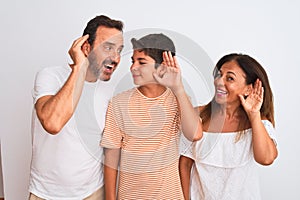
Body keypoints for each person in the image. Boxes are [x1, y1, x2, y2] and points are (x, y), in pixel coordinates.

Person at [29, 15, 124, 200]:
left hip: (93, 193)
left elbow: (111, 150)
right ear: (86, 48)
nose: (116, 58)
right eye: (108, 47)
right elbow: (52, 123)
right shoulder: (50, 76)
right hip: (45, 194)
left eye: (119, 50)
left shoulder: (110, 93)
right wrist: (80, 67)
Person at [101, 33, 202, 199]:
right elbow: (111, 156)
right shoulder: (119, 102)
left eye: (141, 62)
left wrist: (178, 87)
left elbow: (195, 134)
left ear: (162, 66)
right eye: (133, 61)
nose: (133, 67)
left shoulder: (179, 99)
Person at [179, 53, 278, 200]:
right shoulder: (198, 115)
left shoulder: (258, 124)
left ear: (248, 89)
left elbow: (266, 159)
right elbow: (185, 164)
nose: (219, 82)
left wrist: (254, 115)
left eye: (229, 78)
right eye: (219, 75)